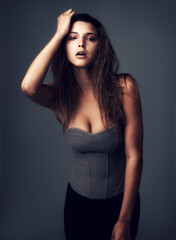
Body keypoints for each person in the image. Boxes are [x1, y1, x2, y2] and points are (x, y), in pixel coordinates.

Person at [21, 9, 143, 240]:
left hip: (122, 204)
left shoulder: (124, 89)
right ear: (64, 47)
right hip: (77, 206)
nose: (81, 44)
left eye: (90, 38)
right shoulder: (60, 97)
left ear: (101, 46)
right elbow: (28, 87)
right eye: (73, 37)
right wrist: (58, 34)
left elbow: (134, 156)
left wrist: (124, 219)